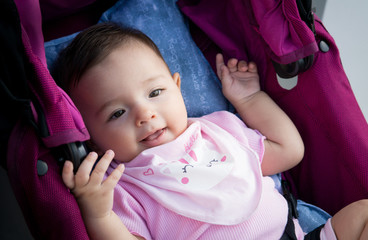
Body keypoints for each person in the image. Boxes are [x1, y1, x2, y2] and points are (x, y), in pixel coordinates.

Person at [54, 22, 368, 240]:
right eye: (117, 113)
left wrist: (249, 99)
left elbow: (289, 151)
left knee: (363, 214)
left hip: (293, 235)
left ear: (177, 88)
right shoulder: (121, 186)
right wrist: (99, 214)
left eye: (154, 93)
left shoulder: (217, 129)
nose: (144, 114)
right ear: (90, 135)